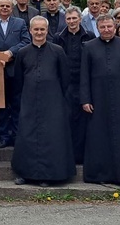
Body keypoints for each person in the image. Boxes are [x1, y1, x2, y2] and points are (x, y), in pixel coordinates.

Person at [12, 16, 76, 187]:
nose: (39, 32)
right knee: (27, 136)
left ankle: (49, 175)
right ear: (31, 30)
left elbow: (65, 78)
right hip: (29, 102)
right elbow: (18, 79)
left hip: (53, 102)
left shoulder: (57, 51)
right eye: (36, 29)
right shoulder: (23, 52)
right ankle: (25, 174)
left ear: (47, 31)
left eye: (42, 29)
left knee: (51, 137)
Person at [80, 15, 120, 187]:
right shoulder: (89, 46)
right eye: (103, 27)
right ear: (97, 28)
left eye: (109, 26)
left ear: (114, 27)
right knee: (99, 136)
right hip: (97, 98)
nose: (106, 30)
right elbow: (84, 75)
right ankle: (100, 174)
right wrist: (85, 99)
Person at [0, 0, 30, 148]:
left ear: (11, 8)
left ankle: (16, 136)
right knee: (0, 106)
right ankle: (3, 136)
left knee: (17, 104)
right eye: (1, 6)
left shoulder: (20, 23)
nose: (4, 8)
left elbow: (26, 41)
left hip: (15, 69)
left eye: (7, 6)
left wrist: (9, 53)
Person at [54, 6, 95, 164]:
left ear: (80, 19)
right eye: (68, 19)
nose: (71, 21)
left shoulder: (88, 35)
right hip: (66, 85)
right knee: (68, 119)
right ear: (65, 20)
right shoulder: (59, 37)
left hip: (84, 83)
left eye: (74, 18)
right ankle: (68, 154)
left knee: (83, 121)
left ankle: (81, 155)